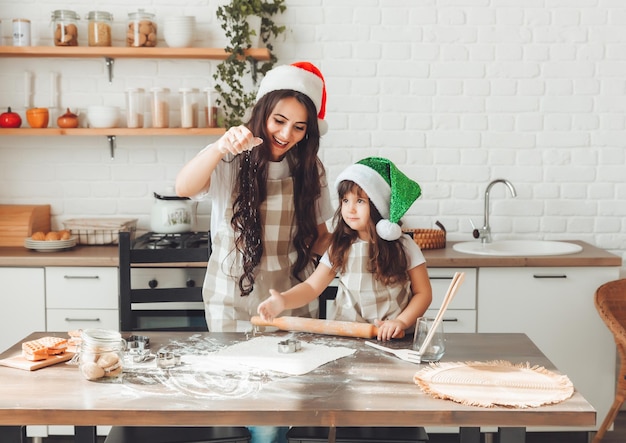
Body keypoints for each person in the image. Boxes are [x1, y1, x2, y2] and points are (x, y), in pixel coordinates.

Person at [176, 61, 334, 443]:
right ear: (262, 112)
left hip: (290, 303)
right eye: (279, 121)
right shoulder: (230, 157)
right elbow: (184, 186)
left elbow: (321, 234)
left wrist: (343, 245)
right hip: (231, 300)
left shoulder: (311, 168)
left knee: (276, 408)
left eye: (299, 127)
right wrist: (217, 147)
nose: (286, 134)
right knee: (249, 399)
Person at [258, 157, 433, 341]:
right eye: (345, 200)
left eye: (360, 201)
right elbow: (311, 287)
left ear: (377, 205)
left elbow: (423, 293)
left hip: (394, 337)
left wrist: (401, 322)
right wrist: (283, 301)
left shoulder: (404, 246)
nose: (350, 209)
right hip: (349, 335)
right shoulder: (339, 246)